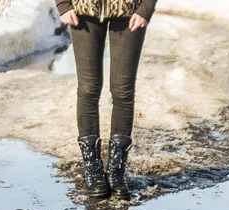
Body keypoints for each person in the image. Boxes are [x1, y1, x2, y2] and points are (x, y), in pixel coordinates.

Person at [56, 0, 158, 199]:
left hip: (130, 10)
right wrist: (63, 5)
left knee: (123, 91)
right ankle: (93, 169)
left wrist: (146, 7)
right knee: (88, 89)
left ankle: (116, 172)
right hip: (83, 10)